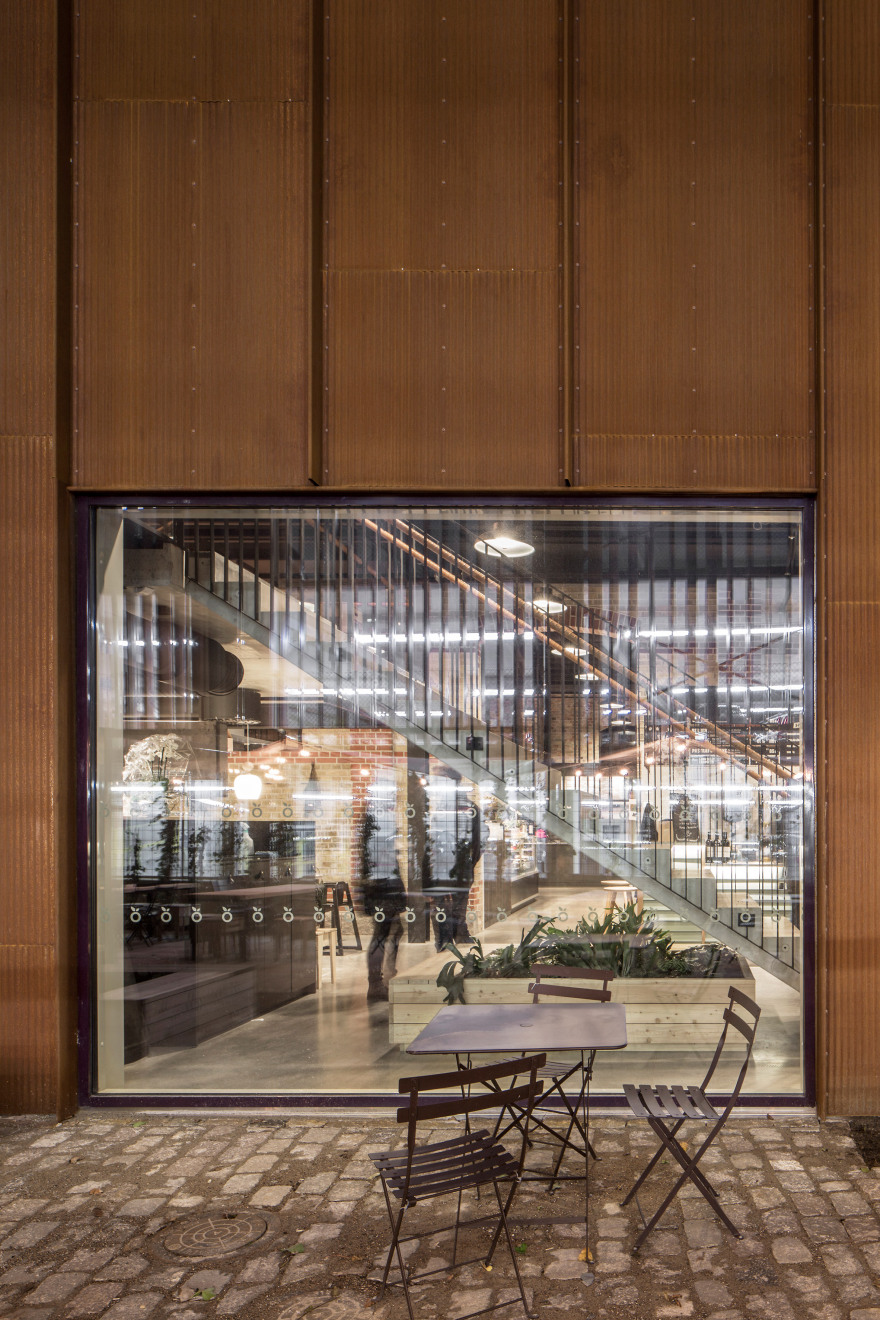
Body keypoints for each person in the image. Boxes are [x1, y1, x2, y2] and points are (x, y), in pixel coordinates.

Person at [362, 870, 407, 1002]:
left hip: (386, 889)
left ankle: (386, 975)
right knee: (380, 937)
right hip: (383, 891)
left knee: (396, 930)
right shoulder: (379, 851)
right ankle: (376, 982)